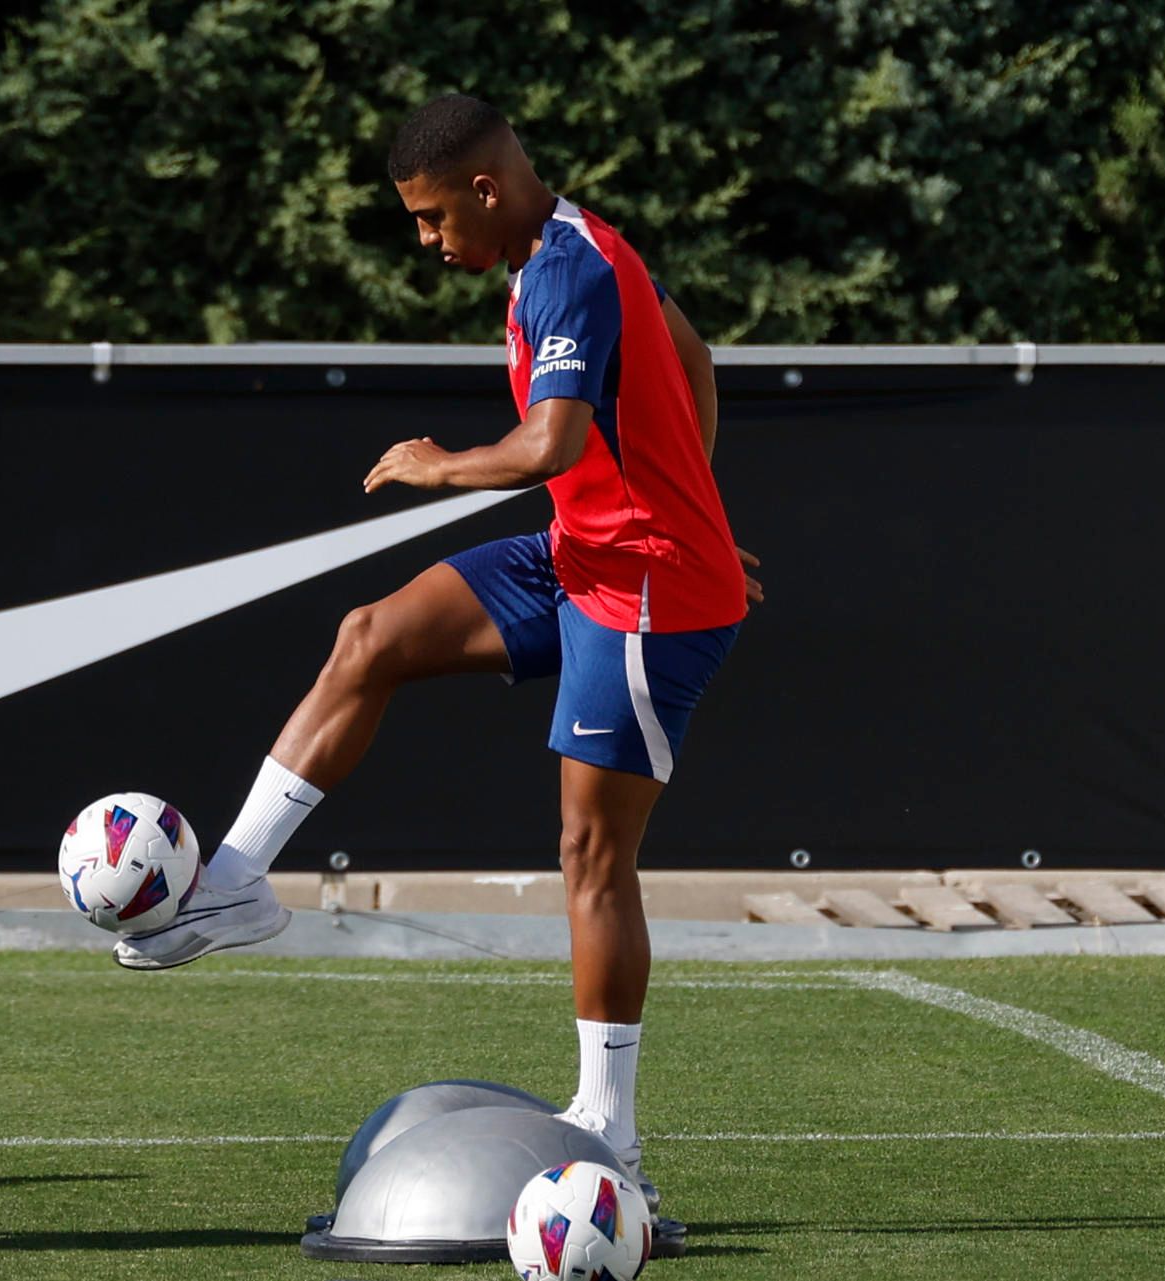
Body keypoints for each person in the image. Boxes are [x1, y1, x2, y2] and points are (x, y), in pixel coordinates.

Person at [113, 93, 761, 1253]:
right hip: (583, 556)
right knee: (372, 636)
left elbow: (551, 443)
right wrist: (691, 497)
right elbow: (693, 353)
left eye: (431, 218)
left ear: (485, 188)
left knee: (590, 853)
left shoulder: (568, 269)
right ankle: (237, 881)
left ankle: (614, 1141)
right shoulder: (569, 248)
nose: (426, 241)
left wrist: (438, 464)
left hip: (647, 595)